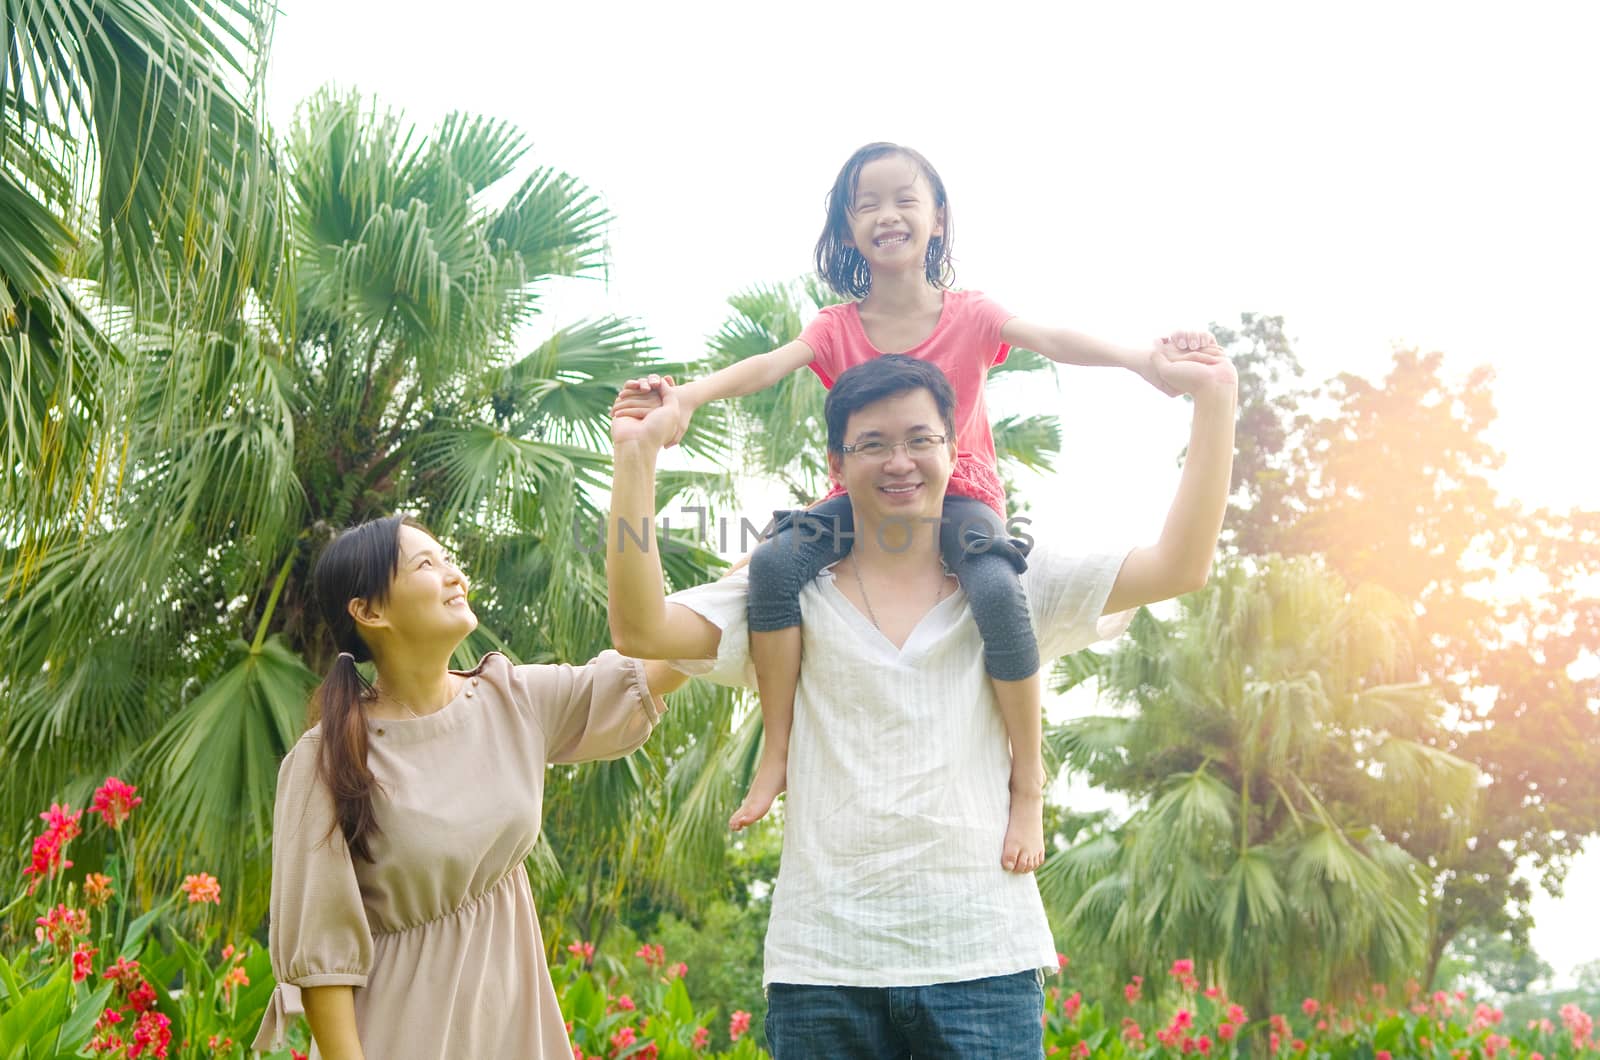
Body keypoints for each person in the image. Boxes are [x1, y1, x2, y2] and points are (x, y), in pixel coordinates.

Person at [606, 350, 1236, 1057]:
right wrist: (635, 458)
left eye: (919, 439)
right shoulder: (785, 594)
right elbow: (641, 628)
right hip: (823, 967)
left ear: (953, 448)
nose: (899, 461)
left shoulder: (1017, 580)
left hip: (983, 964)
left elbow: (1180, 566)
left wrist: (1215, 400)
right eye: (872, 444)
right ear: (836, 466)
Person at [613, 141, 1205, 873]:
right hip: (857, 503)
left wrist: (1143, 361)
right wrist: (687, 400)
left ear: (937, 219)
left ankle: (1028, 781)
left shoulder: (973, 313)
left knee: (994, 588)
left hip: (961, 500)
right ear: (847, 226)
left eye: (904, 200)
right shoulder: (836, 326)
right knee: (770, 566)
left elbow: (1052, 338)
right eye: (866, 204)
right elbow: (766, 367)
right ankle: (778, 749)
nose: (886, 215)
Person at [251, 515, 685, 1059]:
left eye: (447, 557)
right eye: (426, 564)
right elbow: (322, 961)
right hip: (396, 1037)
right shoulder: (325, 759)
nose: (453, 574)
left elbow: (658, 662)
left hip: (514, 1030)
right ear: (369, 611)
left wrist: (769, 563)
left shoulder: (511, 698)